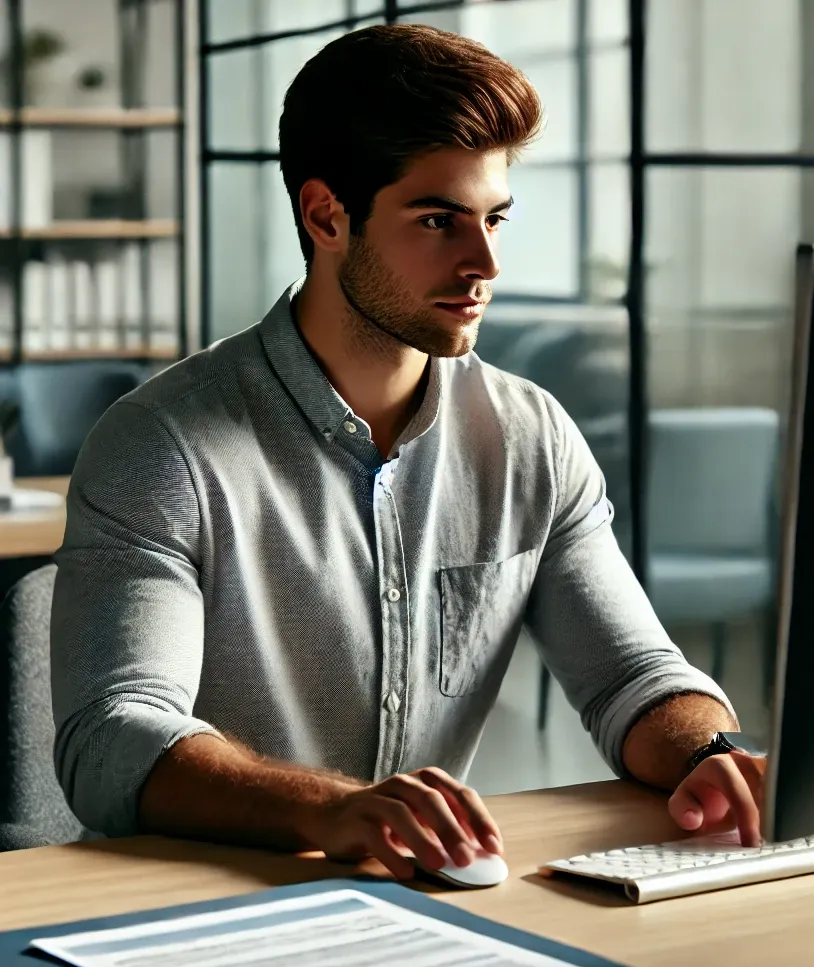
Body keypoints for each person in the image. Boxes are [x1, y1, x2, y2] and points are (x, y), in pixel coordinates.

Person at [50, 24, 766, 879]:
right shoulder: (161, 445)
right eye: (438, 220)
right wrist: (335, 809)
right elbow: (114, 739)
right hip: (184, 914)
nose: (484, 262)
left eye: (495, 218)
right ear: (326, 216)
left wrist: (709, 752)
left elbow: (631, 677)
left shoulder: (532, 437)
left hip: (423, 903)